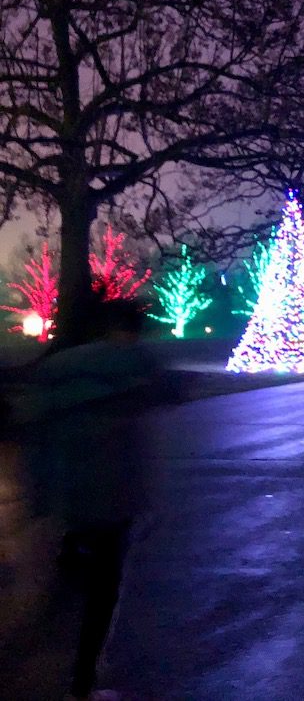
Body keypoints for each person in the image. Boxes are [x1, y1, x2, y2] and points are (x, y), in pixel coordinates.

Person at [11, 299, 163, 701]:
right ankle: (81, 683)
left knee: (61, 592)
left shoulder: (56, 374)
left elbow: (36, 439)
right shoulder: (132, 370)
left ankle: (33, 668)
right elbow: (164, 393)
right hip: (112, 501)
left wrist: (38, 499)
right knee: (103, 591)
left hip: (67, 498)